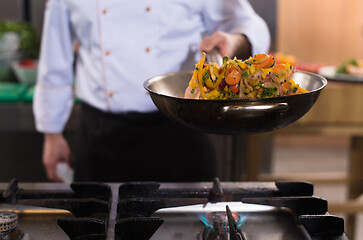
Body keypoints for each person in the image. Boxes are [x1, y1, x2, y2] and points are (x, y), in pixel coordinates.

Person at [33, 0, 270, 182]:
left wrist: (236, 40)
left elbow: (249, 23)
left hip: (180, 129)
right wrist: (51, 134)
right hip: (100, 136)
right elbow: (56, 55)